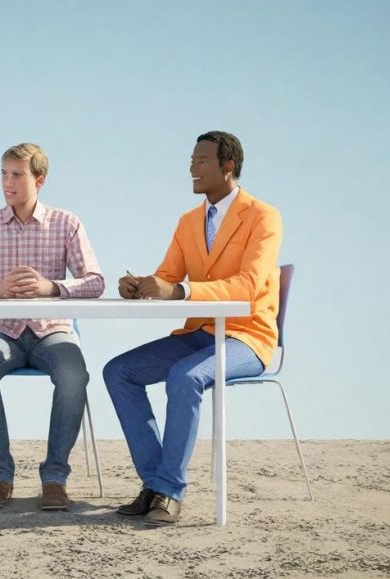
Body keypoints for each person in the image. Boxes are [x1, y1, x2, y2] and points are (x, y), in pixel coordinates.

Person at [104, 131, 282, 526]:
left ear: (228, 166)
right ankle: (154, 485)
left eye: (201, 161)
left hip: (248, 336)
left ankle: (169, 491)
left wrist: (181, 290)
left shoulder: (263, 217)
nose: (191, 168)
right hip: (200, 333)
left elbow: (248, 286)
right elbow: (168, 275)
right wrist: (140, 286)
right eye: (191, 160)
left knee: (185, 378)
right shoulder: (188, 222)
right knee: (119, 372)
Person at [0, 143, 105, 510]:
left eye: (17, 174)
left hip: (52, 331)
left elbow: (95, 281)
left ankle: (54, 479)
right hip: (1, 331)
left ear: (39, 179)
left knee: (73, 374)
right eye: (3, 173)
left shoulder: (67, 223)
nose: (8, 182)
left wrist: (53, 287)